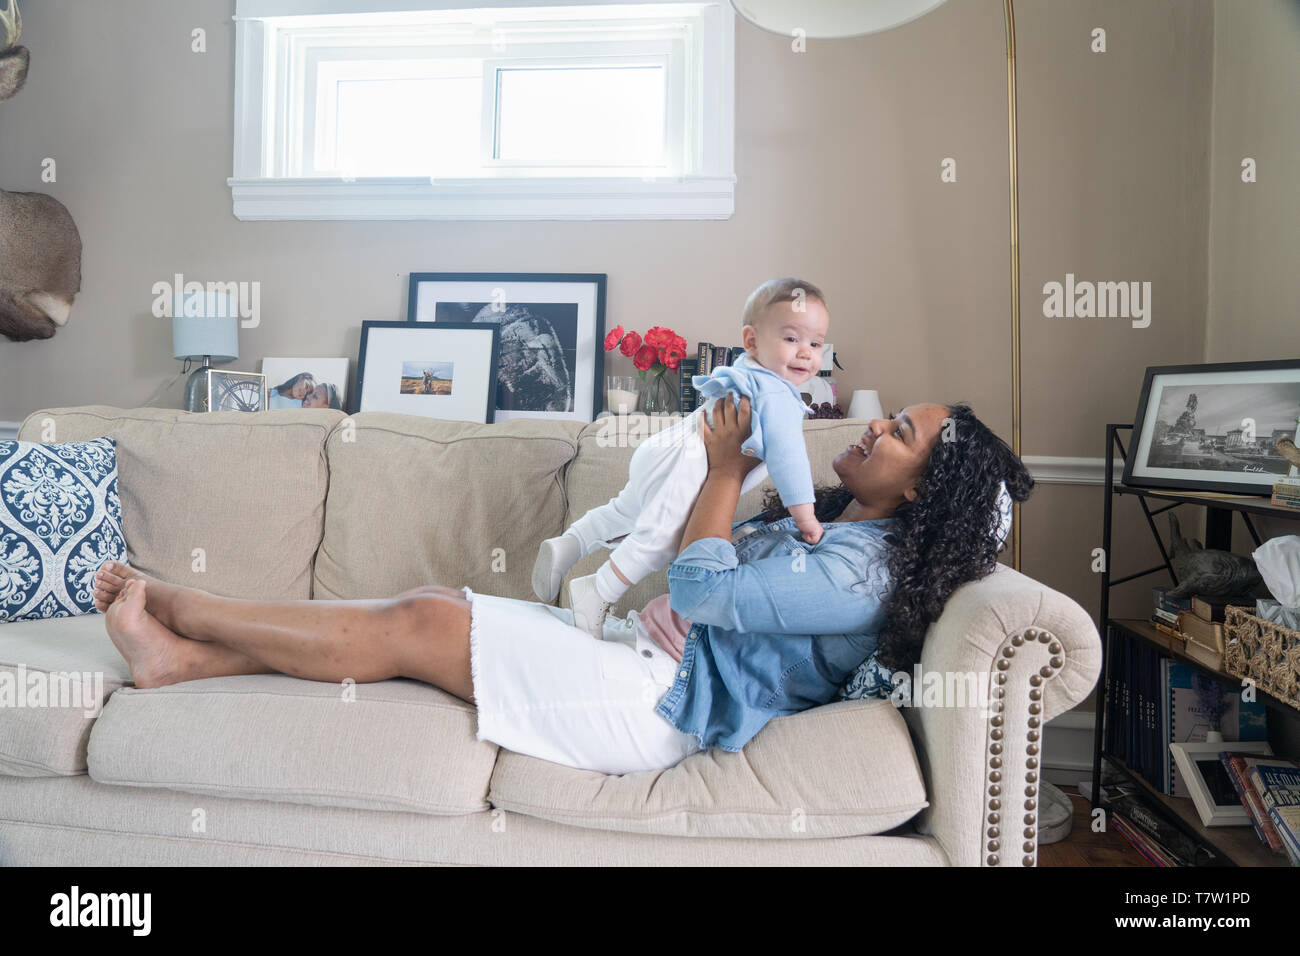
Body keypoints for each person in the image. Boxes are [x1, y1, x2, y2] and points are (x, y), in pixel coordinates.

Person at [91, 396, 1031, 777]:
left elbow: (706, 589)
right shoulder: (831, 525)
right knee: (437, 607)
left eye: (899, 433)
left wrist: (717, 472)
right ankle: (182, 660)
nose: (873, 427)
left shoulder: (867, 571)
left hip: (661, 707)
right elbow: (708, 587)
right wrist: (693, 595)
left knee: (418, 619)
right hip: (656, 662)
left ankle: (181, 603)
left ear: (921, 489)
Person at [534, 278, 829, 640]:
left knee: (627, 509)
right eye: (791, 339)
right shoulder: (777, 394)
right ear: (752, 340)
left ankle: (570, 543)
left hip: (667, 446)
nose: (806, 353)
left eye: (815, 343)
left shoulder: (746, 369)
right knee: (661, 538)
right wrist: (807, 518)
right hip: (688, 465)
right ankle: (597, 591)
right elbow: (790, 459)